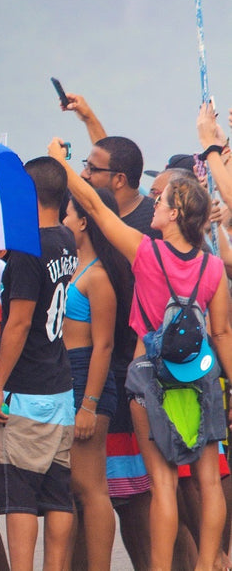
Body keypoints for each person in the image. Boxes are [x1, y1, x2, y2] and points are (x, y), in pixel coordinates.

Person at [50, 131, 232, 571]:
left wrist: (62, 165)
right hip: (201, 376)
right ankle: (208, 564)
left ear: (171, 214)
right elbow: (222, 332)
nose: (155, 205)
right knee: (209, 481)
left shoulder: (146, 254)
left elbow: (93, 207)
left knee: (163, 484)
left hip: (149, 377)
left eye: (162, 200)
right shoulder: (212, 267)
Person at [0, 157, 77, 571]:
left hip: (25, 393)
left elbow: (18, 322)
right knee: (58, 495)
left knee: (20, 498)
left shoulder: (26, 251)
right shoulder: (66, 239)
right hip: (60, 388)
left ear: (26, 192)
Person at [61, 189, 129, 571]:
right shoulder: (74, 269)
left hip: (89, 377)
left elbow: (104, 346)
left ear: (84, 221)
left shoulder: (98, 276)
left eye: (66, 216)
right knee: (72, 487)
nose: (62, 223)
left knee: (91, 487)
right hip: (69, 375)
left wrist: (88, 404)